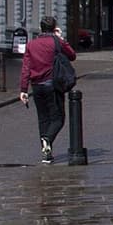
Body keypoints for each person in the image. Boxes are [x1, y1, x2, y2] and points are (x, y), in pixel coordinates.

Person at [17, 16, 77, 163]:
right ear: (54, 27)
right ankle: (48, 139)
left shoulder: (31, 45)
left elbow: (26, 68)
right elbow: (72, 55)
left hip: (36, 86)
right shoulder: (56, 42)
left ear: (41, 28)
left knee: (43, 119)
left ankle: (46, 154)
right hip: (53, 85)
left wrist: (23, 89)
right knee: (58, 119)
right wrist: (61, 38)